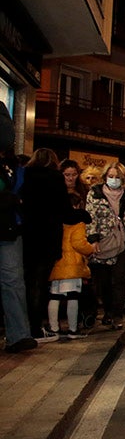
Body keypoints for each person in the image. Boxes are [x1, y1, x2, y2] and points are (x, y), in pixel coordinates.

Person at [19, 148, 71, 341]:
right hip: (48, 237)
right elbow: (65, 210)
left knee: (25, 282)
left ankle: (23, 326)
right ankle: (36, 327)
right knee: (40, 284)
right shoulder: (55, 178)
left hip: (27, 235)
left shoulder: (25, 175)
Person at [85, 162, 125, 330]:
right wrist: (93, 239)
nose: (114, 180)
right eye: (111, 176)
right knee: (103, 281)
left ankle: (117, 314)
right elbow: (90, 217)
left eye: (117, 177)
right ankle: (108, 311)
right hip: (103, 241)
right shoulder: (94, 194)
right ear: (105, 177)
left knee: (120, 279)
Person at [0, 102, 36, 354]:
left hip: (10, 228)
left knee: (13, 281)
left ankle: (18, 334)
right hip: (9, 225)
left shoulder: (13, 166)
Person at [47, 194, 96, 339]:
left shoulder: (55, 220)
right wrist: (90, 249)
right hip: (73, 265)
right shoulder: (78, 222)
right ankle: (73, 329)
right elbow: (78, 243)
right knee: (72, 297)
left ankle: (54, 328)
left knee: (54, 296)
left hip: (57, 264)